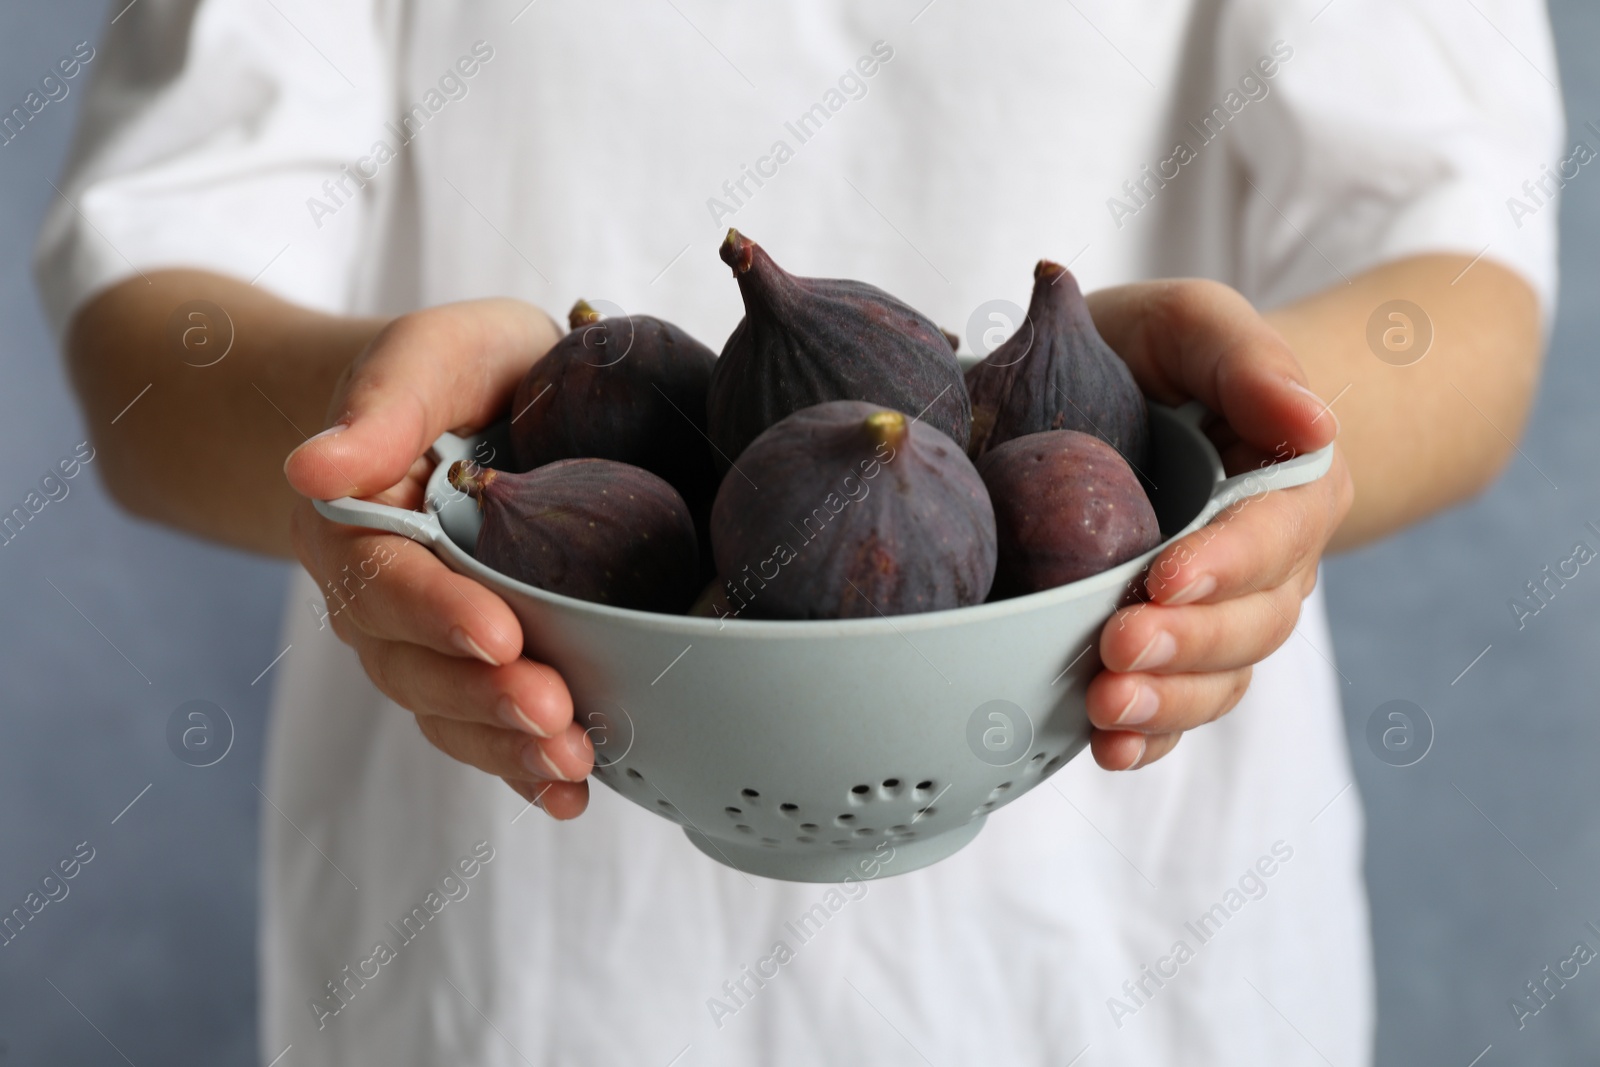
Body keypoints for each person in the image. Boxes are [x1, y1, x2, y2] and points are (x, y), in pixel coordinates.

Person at [36, 1, 1560, 1063]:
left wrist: (1258, 454)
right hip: (506, 963)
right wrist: (394, 446)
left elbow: (1463, 284)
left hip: (1138, 951)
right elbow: (148, 311)